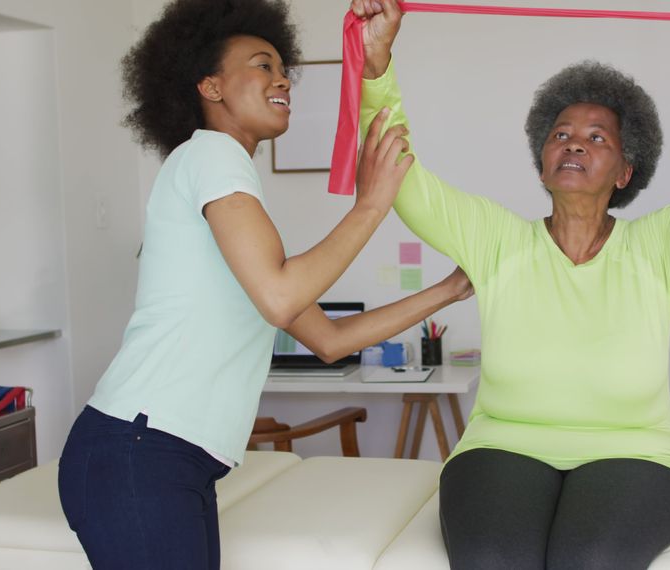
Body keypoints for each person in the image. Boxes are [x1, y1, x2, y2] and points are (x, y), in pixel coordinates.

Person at [350, 0, 670, 568]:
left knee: (588, 559)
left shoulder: (661, 246)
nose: (574, 143)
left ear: (624, 172)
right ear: (542, 160)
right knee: (494, 556)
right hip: (503, 444)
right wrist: (377, 66)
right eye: (561, 134)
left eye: (597, 138)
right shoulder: (497, 240)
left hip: (637, 450)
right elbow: (403, 178)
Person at [57, 1, 473, 568]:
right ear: (210, 86)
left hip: (162, 457)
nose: (282, 80)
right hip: (140, 450)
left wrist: (449, 289)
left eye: (283, 69)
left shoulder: (226, 184)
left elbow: (328, 339)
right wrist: (371, 204)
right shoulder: (212, 155)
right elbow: (280, 299)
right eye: (262, 66)